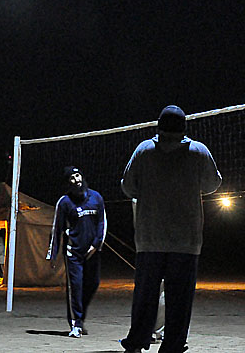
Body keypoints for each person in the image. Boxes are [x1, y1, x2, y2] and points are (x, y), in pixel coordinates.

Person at [119, 105, 222, 353]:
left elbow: (128, 186)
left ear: (159, 126)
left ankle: (137, 341)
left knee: (145, 294)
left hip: (150, 237)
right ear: (184, 127)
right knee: (180, 298)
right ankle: (173, 344)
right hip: (186, 240)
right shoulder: (198, 151)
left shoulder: (144, 150)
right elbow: (213, 184)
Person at [46, 166, 107, 338]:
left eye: (78, 175)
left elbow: (102, 223)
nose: (77, 180)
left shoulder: (96, 197)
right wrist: (53, 254)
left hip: (93, 251)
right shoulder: (64, 202)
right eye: (72, 178)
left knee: (93, 284)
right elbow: (56, 229)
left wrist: (96, 245)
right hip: (73, 253)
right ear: (68, 183)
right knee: (76, 287)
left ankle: (80, 314)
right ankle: (76, 325)